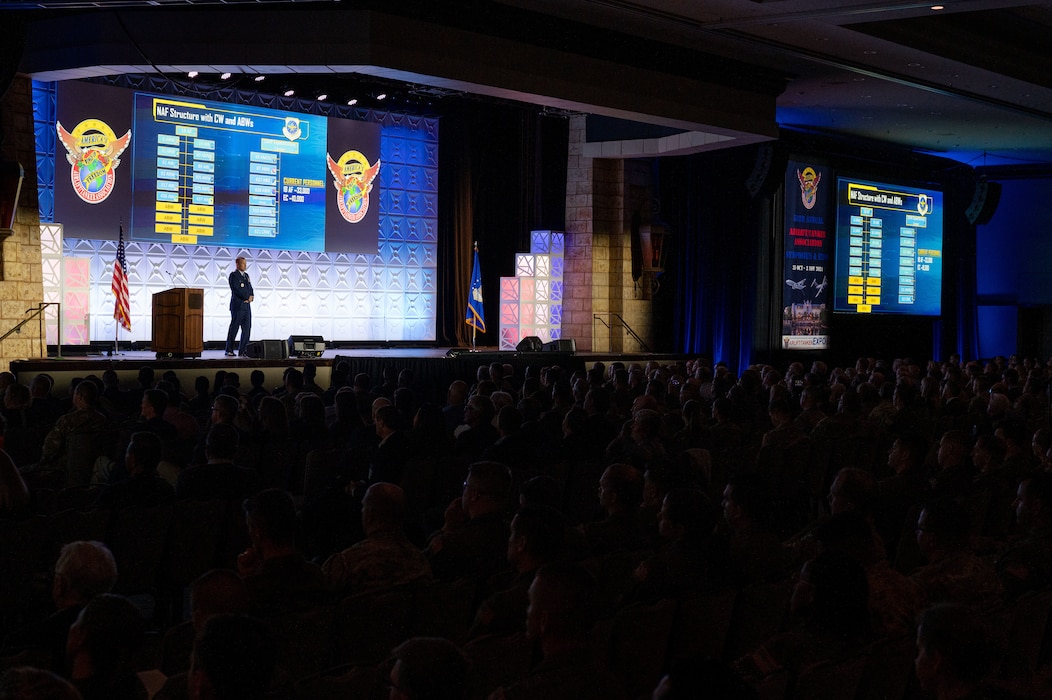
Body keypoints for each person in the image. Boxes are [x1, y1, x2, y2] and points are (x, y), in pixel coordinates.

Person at [224, 256, 254, 357]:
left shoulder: (246, 276)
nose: (245, 266)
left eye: (246, 264)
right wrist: (246, 297)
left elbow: (250, 288)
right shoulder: (234, 275)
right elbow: (236, 289)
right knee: (234, 328)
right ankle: (229, 349)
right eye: (243, 264)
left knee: (247, 328)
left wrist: (251, 296)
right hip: (238, 306)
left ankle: (243, 350)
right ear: (237, 264)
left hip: (246, 307)